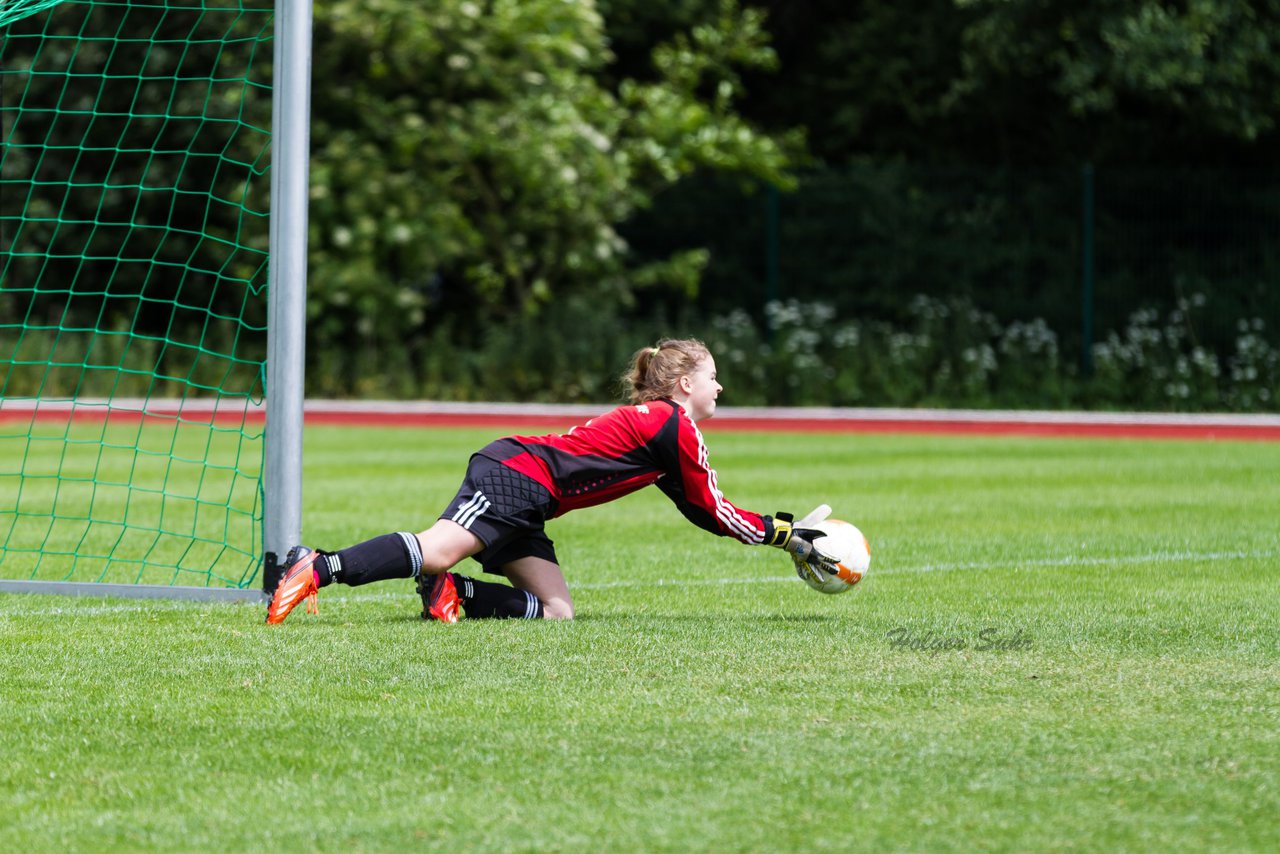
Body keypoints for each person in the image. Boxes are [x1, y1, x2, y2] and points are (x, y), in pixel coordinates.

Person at [265, 338, 835, 624]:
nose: (721, 387)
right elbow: (715, 508)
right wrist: (783, 534)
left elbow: (699, 509)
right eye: (714, 378)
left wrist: (776, 532)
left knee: (555, 613)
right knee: (437, 548)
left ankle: (454, 595)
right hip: (517, 475)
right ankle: (316, 565)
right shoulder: (673, 425)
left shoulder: (662, 429)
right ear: (684, 383)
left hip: (532, 496)